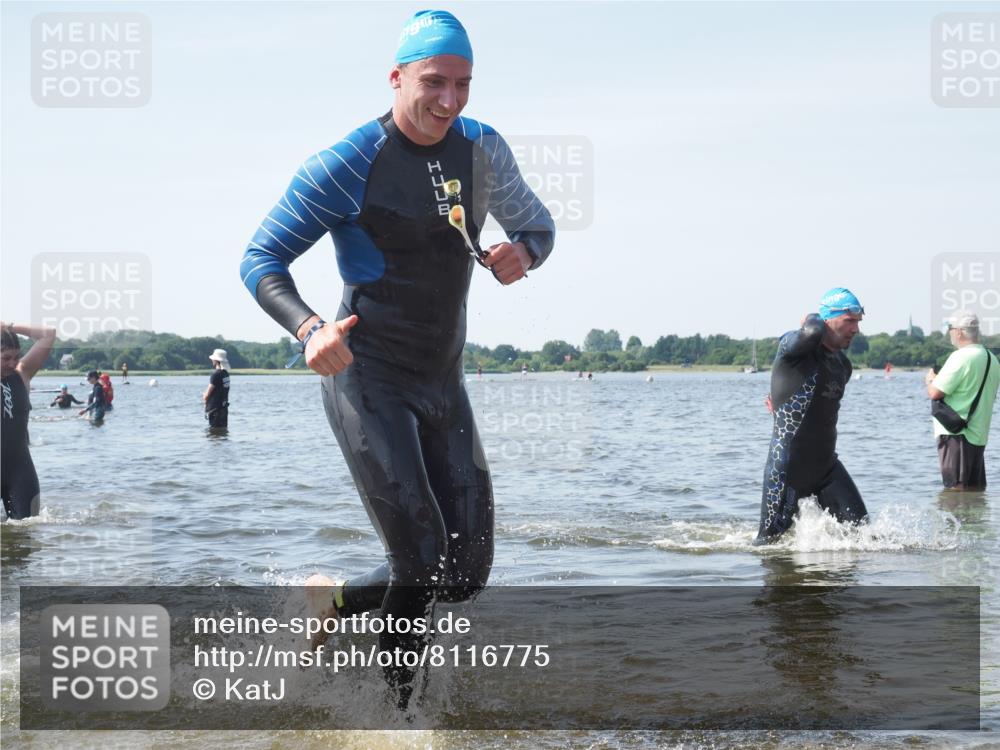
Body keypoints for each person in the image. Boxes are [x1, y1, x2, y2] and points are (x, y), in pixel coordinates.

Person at [240, 9, 554, 708]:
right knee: (417, 559)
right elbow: (261, 259)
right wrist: (308, 327)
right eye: (434, 82)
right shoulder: (348, 162)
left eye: (464, 84)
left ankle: (335, 602)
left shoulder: (482, 149)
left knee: (465, 572)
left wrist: (521, 252)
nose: (450, 100)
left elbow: (538, 224)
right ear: (397, 77)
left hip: (444, 380)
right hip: (368, 379)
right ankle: (397, 717)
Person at [755, 288, 868, 545]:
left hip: (827, 468)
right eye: (850, 321)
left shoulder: (843, 365)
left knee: (863, 539)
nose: (856, 329)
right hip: (788, 471)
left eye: (858, 322)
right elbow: (812, 332)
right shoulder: (793, 352)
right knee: (769, 546)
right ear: (827, 318)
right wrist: (813, 318)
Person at [925, 311, 1000, 490]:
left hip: (957, 435)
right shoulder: (992, 359)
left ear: (959, 332)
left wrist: (930, 380)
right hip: (978, 436)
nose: (949, 333)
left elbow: (935, 393)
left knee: (955, 493)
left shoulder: (961, 357)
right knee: (975, 493)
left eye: (950, 329)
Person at [1, 322, 56, 519]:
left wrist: (9, 326)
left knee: (26, 533)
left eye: (16, 357)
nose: (12, 363)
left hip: (20, 471)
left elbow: (48, 334)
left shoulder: (22, 373)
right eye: (6, 358)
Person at [203, 349, 231, 429]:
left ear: (216, 360)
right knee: (223, 432)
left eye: (213, 359)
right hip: (224, 409)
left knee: (214, 435)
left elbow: (206, 395)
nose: (212, 360)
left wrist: (204, 395)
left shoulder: (215, 374)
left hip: (215, 410)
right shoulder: (225, 374)